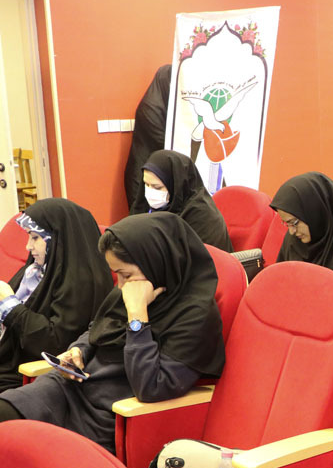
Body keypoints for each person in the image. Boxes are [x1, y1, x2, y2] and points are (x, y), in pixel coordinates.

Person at [0, 212, 226, 452]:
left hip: (109, 413)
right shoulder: (130, 288)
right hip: (70, 388)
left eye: (126, 275)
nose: (121, 285)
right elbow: (97, 327)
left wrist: (137, 316)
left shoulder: (195, 317)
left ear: (157, 264)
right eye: (117, 274)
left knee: (24, 455)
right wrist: (79, 350)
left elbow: (150, 387)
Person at [0, 199, 113, 391]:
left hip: (22, 374)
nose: (28, 246)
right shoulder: (37, 268)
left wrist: (11, 308)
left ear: (58, 239)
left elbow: (55, 343)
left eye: (35, 238)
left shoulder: (80, 282)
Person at [130, 149, 233, 252]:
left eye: (157, 187)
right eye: (146, 184)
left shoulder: (202, 218)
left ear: (176, 185)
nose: (150, 192)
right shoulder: (146, 205)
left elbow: (200, 258)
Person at [124, 64, 171, 207]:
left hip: (157, 177)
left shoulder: (161, 101)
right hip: (145, 177)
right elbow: (168, 144)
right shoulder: (150, 108)